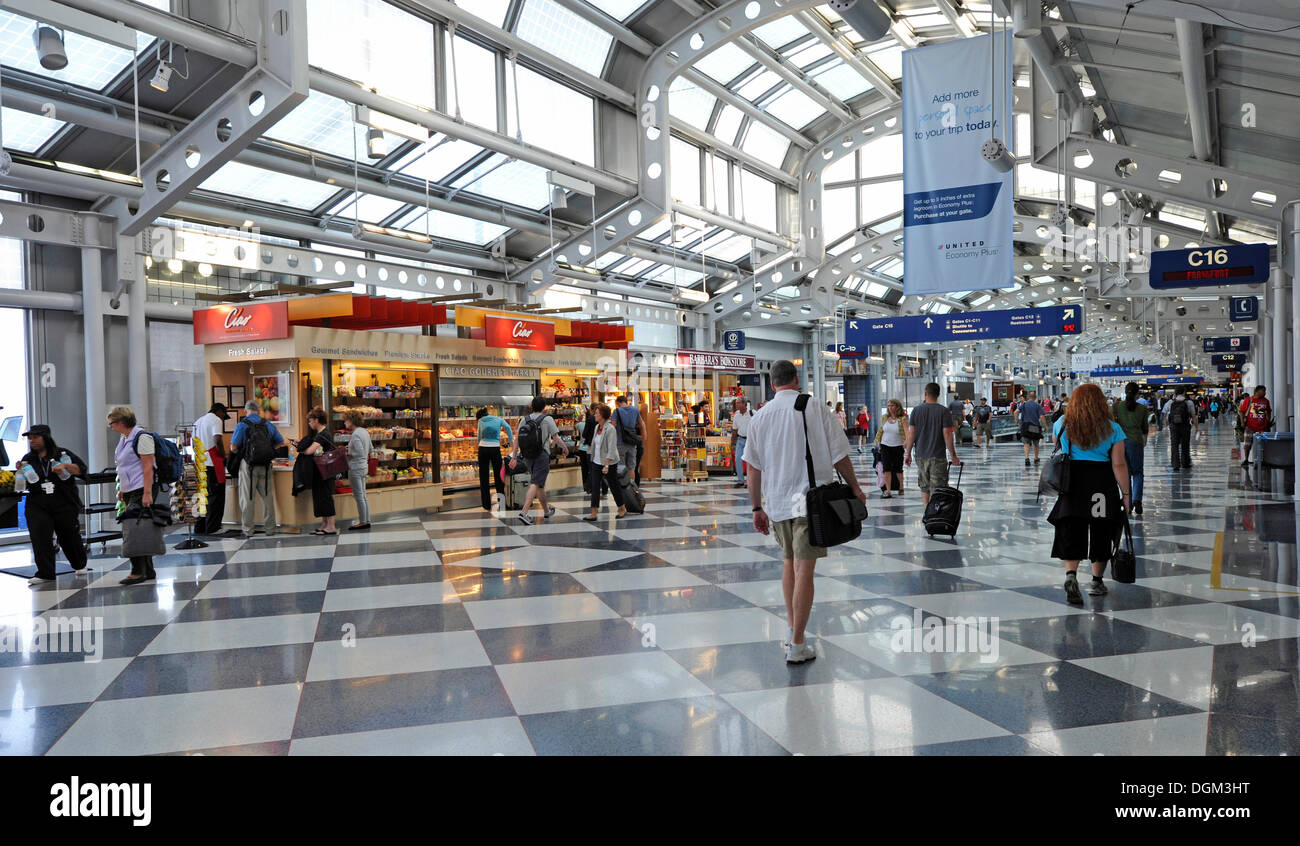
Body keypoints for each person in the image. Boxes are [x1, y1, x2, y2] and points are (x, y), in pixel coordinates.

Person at [744, 360, 866, 664]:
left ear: (772, 383)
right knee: (804, 569)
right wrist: (856, 488)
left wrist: (756, 507)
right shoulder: (813, 407)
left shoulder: (760, 416)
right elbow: (839, 454)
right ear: (797, 379)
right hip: (811, 503)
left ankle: (791, 630)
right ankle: (797, 643)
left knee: (789, 563)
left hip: (777, 503)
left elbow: (752, 468)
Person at [1049, 384, 1130, 604]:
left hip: (1071, 483)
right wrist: (1126, 494)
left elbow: (1059, 448)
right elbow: (1119, 464)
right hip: (1101, 485)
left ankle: (1071, 576)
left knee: (1071, 529)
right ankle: (1096, 581)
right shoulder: (1112, 429)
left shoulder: (1061, 424)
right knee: (1102, 531)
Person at [17, 424, 89, 585]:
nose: (32, 441)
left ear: (46, 437)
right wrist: (20, 473)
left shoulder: (62, 454)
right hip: (37, 503)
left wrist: (65, 466)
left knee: (68, 535)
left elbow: (81, 469)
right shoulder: (28, 458)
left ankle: (79, 563)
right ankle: (45, 573)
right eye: (30, 438)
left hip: (63, 501)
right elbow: (23, 484)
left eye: (35, 437)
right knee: (39, 536)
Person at [107, 406, 167, 585]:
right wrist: (122, 489)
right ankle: (148, 569)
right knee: (142, 528)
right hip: (131, 490)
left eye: (112, 423)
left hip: (143, 489)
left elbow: (147, 467)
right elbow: (125, 466)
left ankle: (137, 571)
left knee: (133, 529)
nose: (110, 426)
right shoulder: (124, 438)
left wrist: (147, 493)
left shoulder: (142, 438)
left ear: (122, 422)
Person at [511, 396, 569, 525]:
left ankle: (547, 511)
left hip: (527, 455)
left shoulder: (524, 420)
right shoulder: (547, 419)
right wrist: (565, 448)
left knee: (539, 484)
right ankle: (524, 512)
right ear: (544, 408)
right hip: (541, 455)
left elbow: (517, 440)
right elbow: (556, 437)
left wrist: (514, 457)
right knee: (536, 482)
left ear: (531, 406)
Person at [230, 399, 284, 538]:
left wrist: (242, 453)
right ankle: (270, 529)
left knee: (247, 498)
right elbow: (280, 442)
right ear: (259, 410)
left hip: (248, 465)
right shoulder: (267, 423)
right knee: (267, 498)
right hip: (266, 465)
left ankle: (248, 530)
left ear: (245, 410)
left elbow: (233, 447)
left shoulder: (242, 425)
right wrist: (270, 451)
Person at [904, 382, 962, 509]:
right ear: (938, 395)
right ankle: (935, 514)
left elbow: (911, 433)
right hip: (938, 456)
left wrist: (907, 453)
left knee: (924, 487)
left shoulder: (916, 410)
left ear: (925, 393)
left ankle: (927, 512)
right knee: (938, 488)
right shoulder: (944, 411)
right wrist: (953, 456)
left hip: (920, 455)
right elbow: (947, 434)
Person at [294, 407, 337, 535]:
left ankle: (331, 526)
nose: (309, 423)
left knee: (326, 497)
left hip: (326, 472)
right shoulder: (321, 434)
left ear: (317, 420)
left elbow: (309, 451)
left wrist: (299, 447)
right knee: (320, 497)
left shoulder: (323, 435)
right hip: (322, 471)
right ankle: (325, 524)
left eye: (310, 420)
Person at [583, 403, 628, 521]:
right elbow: (595, 444)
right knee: (595, 485)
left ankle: (622, 508)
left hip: (609, 462)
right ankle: (594, 512)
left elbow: (612, 448)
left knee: (613, 485)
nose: (595, 415)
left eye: (597, 413)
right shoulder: (597, 427)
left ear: (602, 415)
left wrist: (607, 464)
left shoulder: (610, 429)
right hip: (596, 461)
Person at [1112, 382, 1150, 517]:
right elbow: (1145, 427)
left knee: (1125, 473)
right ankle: (1137, 499)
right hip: (1136, 442)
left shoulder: (1117, 406)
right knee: (1138, 472)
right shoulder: (1142, 408)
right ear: (1137, 394)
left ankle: (1127, 503)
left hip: (1120, 442)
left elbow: (1112, 423)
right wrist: (1144, 441)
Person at [192, 402, 230, 535]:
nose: (223, 418)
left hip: (200, 462)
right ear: (219, 411)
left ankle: (200, 527)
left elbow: (193, 443)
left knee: (202, 495)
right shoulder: (216, 420)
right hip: (212, 462)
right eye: (224, 415)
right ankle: (213, 527)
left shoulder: (198, 421)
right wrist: (223, 455)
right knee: (216, 496)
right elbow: (217, 439)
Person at [476, 407, 513, 512]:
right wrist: (511, 441)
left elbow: (479, 436)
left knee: (484, 477)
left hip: (483, 449)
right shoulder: (498, 419)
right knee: (498, 476)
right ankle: (501, 503)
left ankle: (486, 505)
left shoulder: (480, 421)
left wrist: (479, 445)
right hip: (495, 449)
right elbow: (508, 428)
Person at [343, 409, 372, 530]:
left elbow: (358, 452)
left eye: (346, 421)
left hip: (355, 467)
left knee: (359, 496)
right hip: (364, 467)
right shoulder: (364, 432)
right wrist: (350, 448)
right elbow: (370, 449)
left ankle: (362, 522)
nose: (344, 423)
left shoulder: (355, 434)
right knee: (363, 495)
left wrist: (347, 453)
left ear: (351, 421)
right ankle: (366, 520)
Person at [874, 399, 907, 498]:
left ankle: (901, 487)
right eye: (888, 406)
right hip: (885, 446)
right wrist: (878, 444)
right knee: (886, 468)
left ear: (897, 407)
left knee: (898, 469)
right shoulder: (885, 417)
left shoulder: (902, 419)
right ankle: (888, 490)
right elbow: (881, 430)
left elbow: (907, 433)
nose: (890, 408)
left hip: (898, 446)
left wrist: (906, 442)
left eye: (892, 405)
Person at [613, 395, 646, 487]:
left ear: (618, 403)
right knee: (631, 467)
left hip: (620, 443)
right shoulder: (635, 410)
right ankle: (632, 488)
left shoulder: (616, 411)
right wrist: (644, 435)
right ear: (626, 401)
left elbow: (613, 425)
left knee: (621, 466)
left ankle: (623, 488)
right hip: (632, 443)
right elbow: (641, 423)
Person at [1162, 389, 1197, 471]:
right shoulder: (1189, 402)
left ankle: (1175, 464)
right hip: (1185, 426)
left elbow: (1165, 413)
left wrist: (1166, 424)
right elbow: (1193, 416)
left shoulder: (1170, 402)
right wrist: (1197, 428)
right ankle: (1185, 463)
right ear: (1184, 393)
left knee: (1174, 445)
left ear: (1175, 393)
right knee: (1185, 444)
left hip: (1174, 426)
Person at [1239, 385, 1273, 467]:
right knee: (1247, 444)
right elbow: (1241, 411)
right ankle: (1246, 459)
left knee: (1263, 444)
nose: (1265, 392)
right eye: (1263, 391)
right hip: (1250, 426)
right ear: (1257, 391)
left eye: (1265, 391)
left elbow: (1268, 411)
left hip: (1262, 427)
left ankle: (1263, 460)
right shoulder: (1249, 400)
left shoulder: (1266, 401)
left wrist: (1268, 420)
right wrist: (1242, 423)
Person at [1017, 391, 1045, 466]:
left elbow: (1016, 412)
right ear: (1035, 398)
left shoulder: (1024, 404)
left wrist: (1017, 421)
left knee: (1026, 443)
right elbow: (1042, 416)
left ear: (1028, 397)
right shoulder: (1037, 405)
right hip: (1035, 426)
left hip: (1025, 426)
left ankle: (1027, 458)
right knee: (1036, 443)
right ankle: (1036, 458)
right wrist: (1045, 426)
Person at [730, 397, 753, 489]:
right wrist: (733, 443)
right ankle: (740, 480)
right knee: (738, 459)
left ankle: (749, 481)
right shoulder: (736, 415)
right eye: (736, 403)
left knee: (749, 461)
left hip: (750, 440)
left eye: (739, 403)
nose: (737, 405)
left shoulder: (752, 413)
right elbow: (734, 430)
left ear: (744, 404)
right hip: (740, 439)